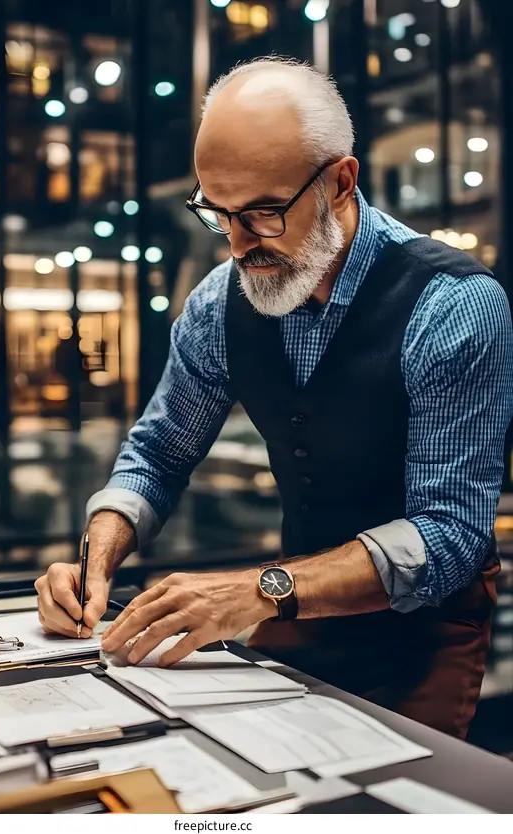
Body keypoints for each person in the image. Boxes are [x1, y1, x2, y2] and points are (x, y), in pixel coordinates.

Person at [35, 57, 513, 738]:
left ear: (341, 182)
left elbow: (451, 534)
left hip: (426, 634)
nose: (236, 245)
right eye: (218, 213)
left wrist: (258, 591)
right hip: (291, 607)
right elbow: (158, 454)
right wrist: (96, 561)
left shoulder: (454, 307)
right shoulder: (216, 308)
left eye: (262, 213)